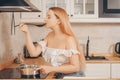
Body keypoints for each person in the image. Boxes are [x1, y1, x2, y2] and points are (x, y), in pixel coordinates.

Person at [19, 7, 86, 78]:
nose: (45, 19)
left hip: (73, 77)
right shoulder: (49, 36)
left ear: (58, 21)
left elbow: (75, 67)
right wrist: (26, 33)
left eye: (49, 17)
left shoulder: (69, 39)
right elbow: (33, 53)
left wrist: (51, 69)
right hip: (59, 75)